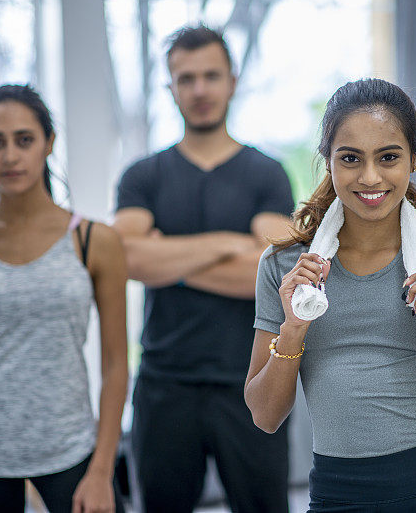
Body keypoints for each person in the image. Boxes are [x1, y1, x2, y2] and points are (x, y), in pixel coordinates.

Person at [245, 78, 416, 512]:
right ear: (329, 163)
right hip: (335, 490)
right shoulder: (287, 270)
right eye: (350, 158)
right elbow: (265, 417)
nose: (370, 177)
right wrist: (293, 330)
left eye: (388, 158)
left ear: (414, 159)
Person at [113, 25, 294, 512]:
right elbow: (124, 257)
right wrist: (228, 245)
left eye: (211, 76)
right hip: (163, 385)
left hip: (250, 381)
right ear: (169, 88)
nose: (199, 90)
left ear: (232, 81)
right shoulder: (143, 177)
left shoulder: (265, 174)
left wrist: (165, 258)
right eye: (186, 78)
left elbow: (273, 273)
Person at [0, 84, 128, 513]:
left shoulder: (95, 241)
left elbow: (115, 364)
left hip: (70, 446)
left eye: (24, 140)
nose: (10, 156)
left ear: (49, 143)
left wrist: (101, 471)